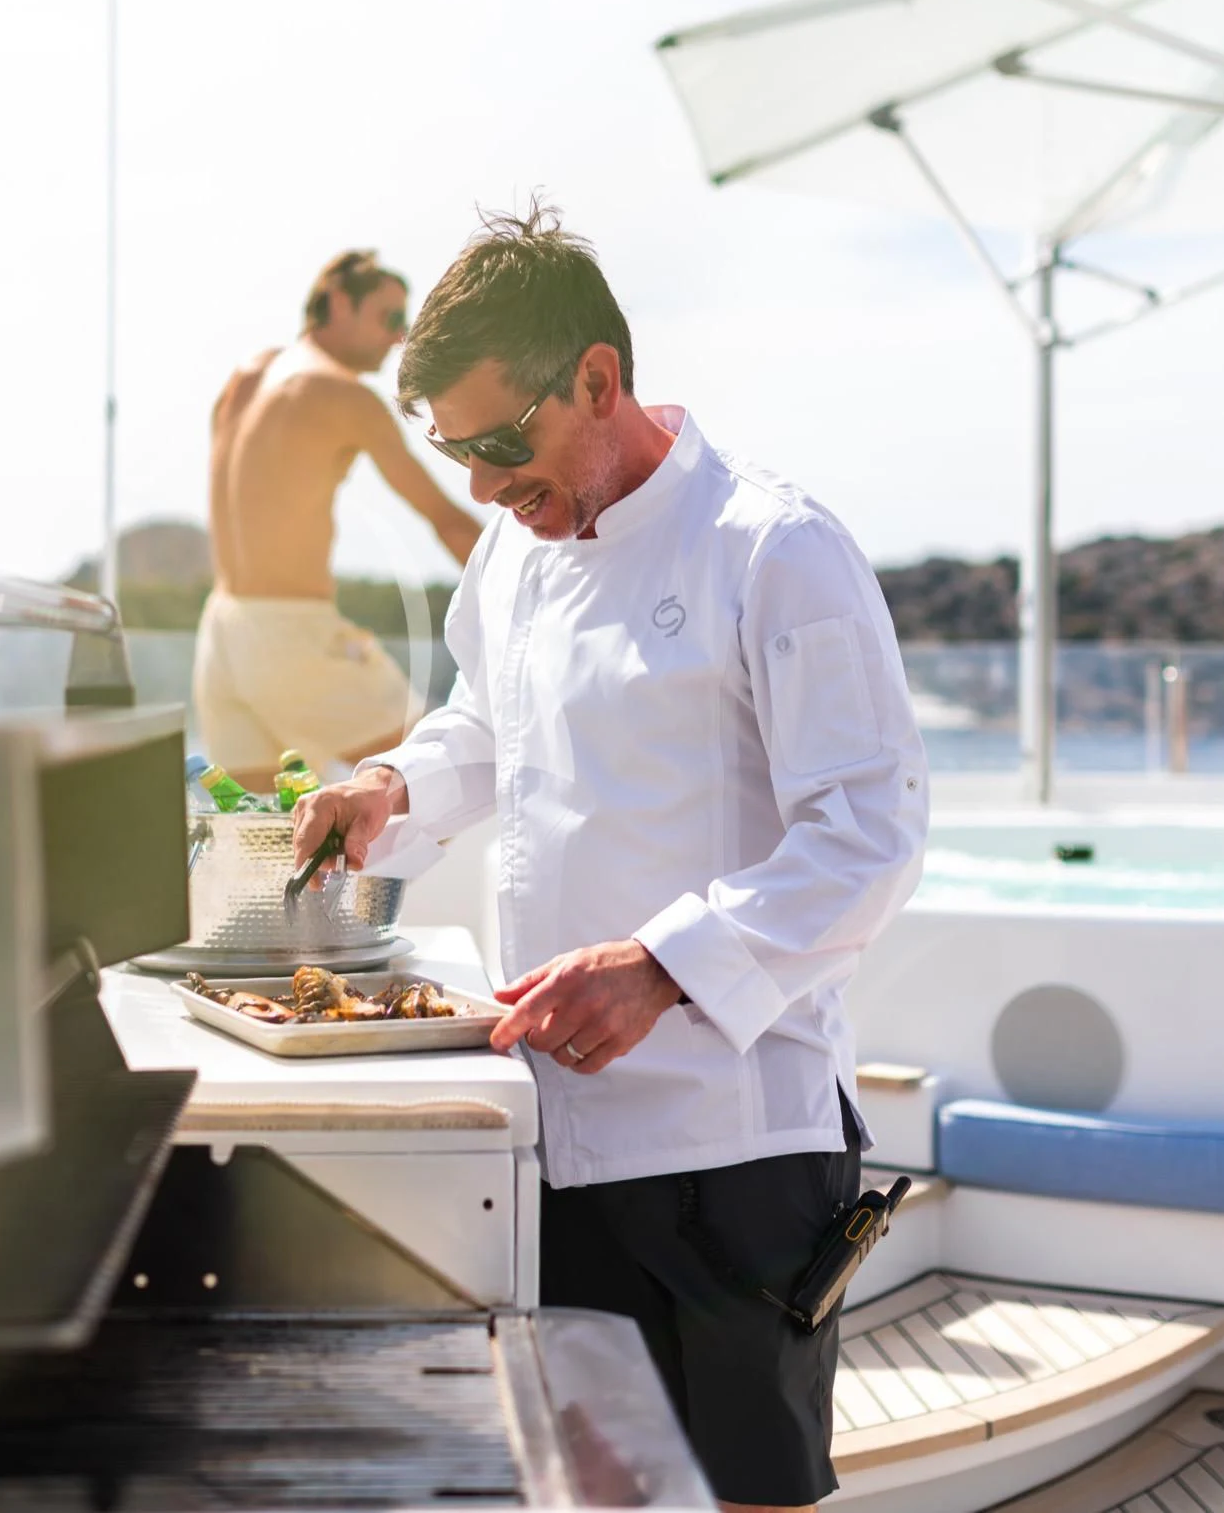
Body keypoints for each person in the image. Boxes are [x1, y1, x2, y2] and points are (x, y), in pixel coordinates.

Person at [290, 204, 927, 1513]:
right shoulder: (512, 551)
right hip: (556, 1131)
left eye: (499, 444)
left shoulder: (774, 547)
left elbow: (869, 834)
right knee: (586, 1493)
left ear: (596, 378)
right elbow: (487, 722)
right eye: (456, 451)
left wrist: (659, 966)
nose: (481, 486)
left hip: (733, 1148)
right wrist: (389, 783)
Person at [196, 249, 481, 789]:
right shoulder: (344, 395)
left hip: (222, 634)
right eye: (389, 317)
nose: (399, 336)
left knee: (260, 830)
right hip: (291, 635)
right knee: (443, 775)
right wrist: (533, 580)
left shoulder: (245, 379)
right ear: (338, 304)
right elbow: (443, 517)